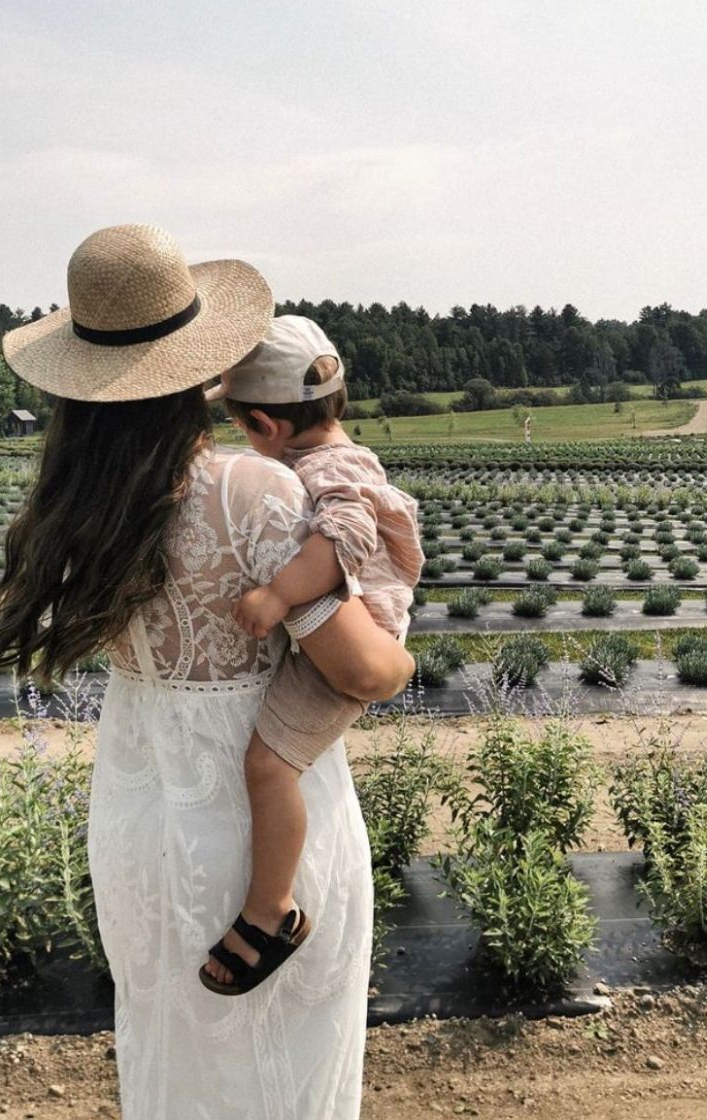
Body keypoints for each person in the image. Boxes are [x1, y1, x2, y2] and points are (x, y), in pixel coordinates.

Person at [0, 225, 416, 1120]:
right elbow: (370, 673)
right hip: (257, 821)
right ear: (200, 366)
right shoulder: (256, 493)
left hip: (139, 811)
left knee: (172, 1051)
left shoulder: (74, 510)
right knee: (282, 1067)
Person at [199, 316, 424, 995]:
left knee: (269, 767)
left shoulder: (327, 470)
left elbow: (347, 536)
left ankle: (272, 911)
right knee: (271, 765)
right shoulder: (329, 455)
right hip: (343, 629)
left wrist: (276, 595)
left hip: (359, 638)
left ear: (266, 427)